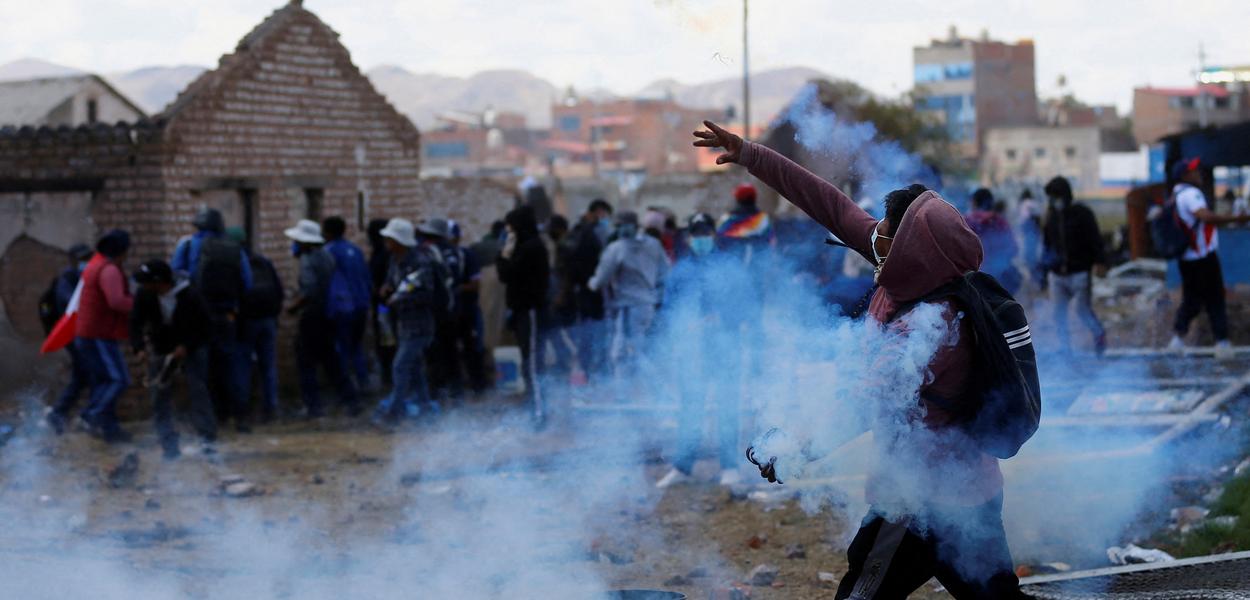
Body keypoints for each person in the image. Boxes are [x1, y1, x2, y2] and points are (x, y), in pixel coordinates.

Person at [694, 120, 1026, 598]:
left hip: (916, 509)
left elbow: (863, 405)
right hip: (971, 496)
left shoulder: (932, 327)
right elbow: (830, 205)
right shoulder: (919, 274)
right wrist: (750, 153)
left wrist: (793, 449)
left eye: (884, 239)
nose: (873, 243)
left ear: (914, 250)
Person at [656, 213, 746, 488]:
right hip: (692, 350)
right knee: (690, 408)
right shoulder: (681, 270)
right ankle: (683, 467)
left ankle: (730, 466)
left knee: (727, 406)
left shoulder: (729, 267)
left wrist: (724, 319)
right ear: (689, 237)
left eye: (705, 233)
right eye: (696, 234)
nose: (701, 239)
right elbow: (669, 309)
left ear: (713, 235)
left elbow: (745, 302)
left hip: (724, 348)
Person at [172, 208, 253, 432]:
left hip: (197, 320)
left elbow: (175, 280)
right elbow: (247, 283)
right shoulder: (234, 248)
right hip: (226, 316)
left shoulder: (187, 245)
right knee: (230, 366)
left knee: (200, 371)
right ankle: (240, 418)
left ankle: (208, 424)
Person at [130, 259, 216, 459]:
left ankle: (207, 440)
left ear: (160, 282)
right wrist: (139, 347)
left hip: (192, 348)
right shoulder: (145, 295)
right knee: (159, 395)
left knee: (198, 390)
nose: (143, 286)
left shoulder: (190, 295)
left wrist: (186, 346)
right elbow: (135, 321)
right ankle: (169, 445)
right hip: (162, 347)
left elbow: (206, 326)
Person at [1168, 159, 1250, 352]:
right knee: (1214, 298)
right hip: (1202, 255)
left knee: (1192, 299)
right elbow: (1207, 217)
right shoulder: (1191, 194)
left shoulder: (1175, 194)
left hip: (1187, 257)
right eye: (1193, 170)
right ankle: (1221, 342)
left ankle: (1178, 339)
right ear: (1185, 175)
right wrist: (1239, 218)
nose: (1198, 173)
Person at [588, 210, 670, 398]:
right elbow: (665, 273)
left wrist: (590, 283)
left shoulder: (616, 248)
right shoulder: (653, 244)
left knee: (623, 352)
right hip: (647, 305)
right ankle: (644, 392)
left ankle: (633, 393)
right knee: (639, 349)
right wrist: (655, 296)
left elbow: (600, 280)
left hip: (627, 307)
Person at [285, 219, 359, 418]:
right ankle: (350, 399)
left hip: (312, 316)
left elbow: (309, 290)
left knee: (306, 362)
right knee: (331, 360)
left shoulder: (308, 260)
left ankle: (313, 406)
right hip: (328, 315)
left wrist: (293, 307)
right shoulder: (326, 255)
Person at [372, 218, 439, 425]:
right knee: (415, 368)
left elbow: (427, 294)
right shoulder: (395, 260)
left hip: (419, 325)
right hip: (404, 324)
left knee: (400, 366)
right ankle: (426, 407)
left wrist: (400, 299)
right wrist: (387, 289)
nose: (386, 243)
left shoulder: (420, 262)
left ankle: (396, 411)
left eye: (390, 239)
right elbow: (394, 282)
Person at [75, 229, 135, 443]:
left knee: (103, 382)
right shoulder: (108, 270)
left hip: (89, 332)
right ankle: (91, 416)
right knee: (119, 380)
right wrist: (138, 305)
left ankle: (110, 430)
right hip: (98, 333)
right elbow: (117, 301)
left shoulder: (96, 265)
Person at [496, 205, 550, 426]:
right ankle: (534, 407)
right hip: (522, 311)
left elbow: (507, 274)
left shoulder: (532, 247)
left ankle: (539, 413)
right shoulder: (524, 247)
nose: (509, 233)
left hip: (531, 311)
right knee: (529, 362)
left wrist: (504, 255)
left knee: (533, 363)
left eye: (511, 229)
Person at [1040, 176, 1107, 355]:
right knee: (1058, 314)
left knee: (1082, 310)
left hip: (1079, 272)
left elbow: (1095, 239)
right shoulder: (1050, 217)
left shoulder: (1083, 214)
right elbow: (1047, 245)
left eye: (1056, 196)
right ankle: (1065, 348)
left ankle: (1099, 335)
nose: (1054, 201)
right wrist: (1043, 273)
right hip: (1057, 274)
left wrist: (1100, 262)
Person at [230, 227, 284, 423]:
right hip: (268, 319)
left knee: (242, 365)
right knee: (268, 366)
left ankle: (242, 411)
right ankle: (271, 408)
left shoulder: (236, 264)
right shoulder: (263, 261)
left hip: (246, 322)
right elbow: (279, 290)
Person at [322, 216, 374, 392]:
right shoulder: (355, 250)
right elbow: (366, 277)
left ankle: (346, 389)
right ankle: (363, 381)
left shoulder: (328, 252)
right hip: (361, 304)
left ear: (327, 232)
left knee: (342, 348)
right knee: (356, 346)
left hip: (343, 307)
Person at [564, 200, 613, 381]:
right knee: (590, 333)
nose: (604, 218)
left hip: (596, 291)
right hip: (589, 291)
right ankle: (591, 370)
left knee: (596, 333)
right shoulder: (584, 233)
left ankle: (595, 370)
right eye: (602, 214)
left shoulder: (596, 233)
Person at [448, 220, 488, 393]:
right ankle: (456, 387)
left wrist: (455, 289)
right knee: (451, 350)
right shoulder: (438, 255)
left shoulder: (466, 255)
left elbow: (475, 283)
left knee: (472, 347)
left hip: (467, 310)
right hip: (450, 313)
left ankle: (478, 384)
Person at [965, 188, 1021, 294]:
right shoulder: (1000, 221)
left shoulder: (967, 221)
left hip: (974, 281)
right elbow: (1014, 249)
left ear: (974, 202)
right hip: (1000, 281)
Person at [367, 218, 397, 386]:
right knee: (386, 342)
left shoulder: (384, 255)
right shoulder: (381, 253)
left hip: (385, 307)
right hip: (382, 306)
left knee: (387, 343)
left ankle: (390, 379)